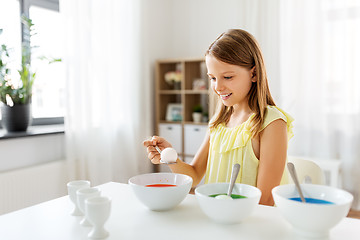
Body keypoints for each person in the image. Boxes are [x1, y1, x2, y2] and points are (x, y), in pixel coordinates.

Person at [143, 29, 293, 206]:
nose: (218, 87)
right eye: (212, 78)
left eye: (227, 77)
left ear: (253, 74)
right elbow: (195, 175)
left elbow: (265, 200)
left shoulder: (271, 124)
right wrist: (170, 158)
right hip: (219, 217)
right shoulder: (218, 122)